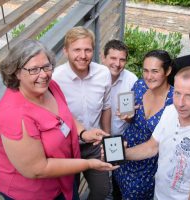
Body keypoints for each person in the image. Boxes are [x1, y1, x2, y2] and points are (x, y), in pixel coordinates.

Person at [0, 39, 117, 200]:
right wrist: (89, 164)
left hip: (66, 174)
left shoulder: (50, 87)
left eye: (46, 66)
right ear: (16, 72)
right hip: (34, 193)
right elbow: (37, 169)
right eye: (34, 69)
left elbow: (63, 115)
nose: (43, 74)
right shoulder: (13, 115)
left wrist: (83, 133)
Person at [124, 66, 190, 200]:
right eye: (177, 93)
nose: (180, 103)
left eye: (189, 96)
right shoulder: (170, 110)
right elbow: (152, 146)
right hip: (159, 194)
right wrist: (120, 154)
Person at [53, 27, 112, 200]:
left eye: (87, 50)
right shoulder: (56, 78)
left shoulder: (103, 73)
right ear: (65, 51)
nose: (83, 55)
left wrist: (107, 138)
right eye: (77, 50)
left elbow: (106, 107)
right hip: (67, 147)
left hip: (94, 144)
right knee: (71, 194)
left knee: (102, 191)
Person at [113, 50, 174, 199]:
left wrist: (117, 154)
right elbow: (131, 118)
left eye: (155, 71)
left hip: (149, 162)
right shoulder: (140, 85)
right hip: (126, 147)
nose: (148, 76)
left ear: (168, 71)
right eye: (145, 70)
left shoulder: (174, 100)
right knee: (117, 189)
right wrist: (127, 117)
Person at [101, 39, 138, 199]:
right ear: (104, 58)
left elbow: (129, 117)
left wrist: (129, 118)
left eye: (122, 59)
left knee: (117, 177)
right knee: (100, 183)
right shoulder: (94, 77)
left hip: (119, 137)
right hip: (96, 137)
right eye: (113, 58)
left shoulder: (131, 80)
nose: (117, 63)